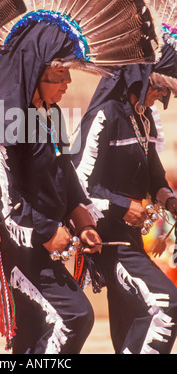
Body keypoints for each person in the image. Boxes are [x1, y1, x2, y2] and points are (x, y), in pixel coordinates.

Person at [0, 12, 102, 354]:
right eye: (59, 72)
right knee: (73, 316)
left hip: (36, 247)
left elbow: (64, 176)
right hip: (11, 246)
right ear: (36, 69)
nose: (67, 81)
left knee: (33, 332)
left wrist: (82, 222)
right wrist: (44, 229)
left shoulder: (48, 116)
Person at [73, 44, 177, 354]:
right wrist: (122, 206)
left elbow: (155, 177)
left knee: (131, 321)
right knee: (166, 303)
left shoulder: (143, 120)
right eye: (158, 87)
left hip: (130, 236)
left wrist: (170, 200)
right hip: (105, 237)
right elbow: (79, 185)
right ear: (140, 77)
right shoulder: (105, 115)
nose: (160, 95)